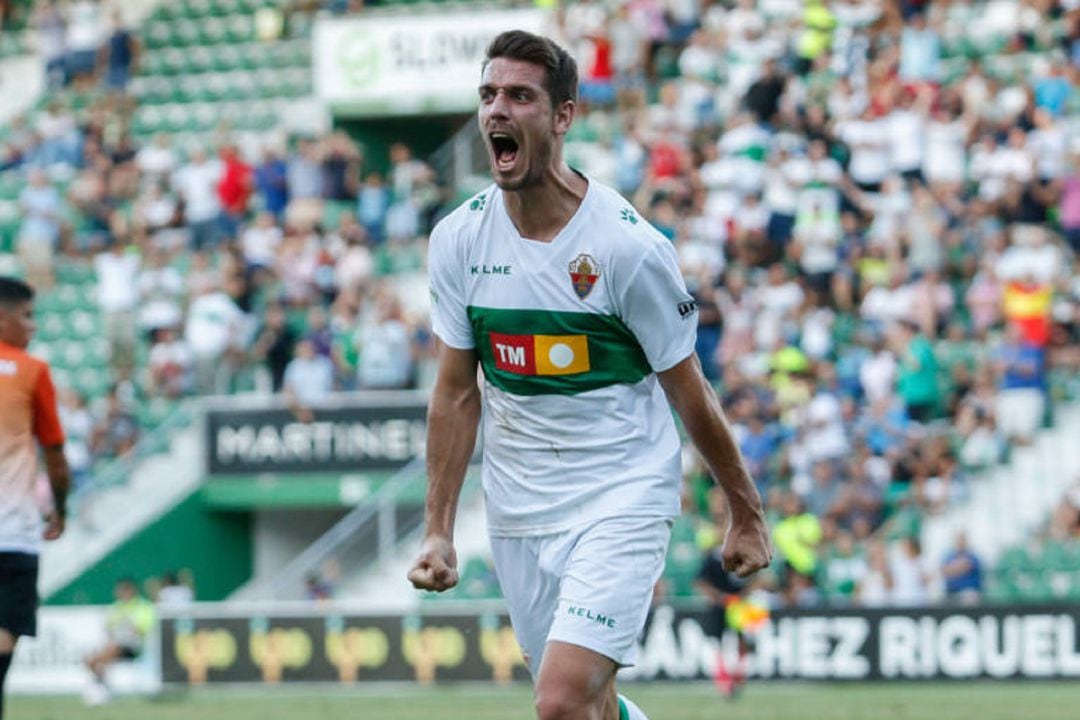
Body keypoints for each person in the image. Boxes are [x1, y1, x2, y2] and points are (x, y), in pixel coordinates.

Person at [407, 31, 770, 720]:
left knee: (560, 703)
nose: (497, 112)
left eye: (520, 96)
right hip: (519, 507)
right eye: (488, 95)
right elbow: (456, 394)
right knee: (589, 705)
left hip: (620, 492)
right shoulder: (458, 239)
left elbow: (688, 388)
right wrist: (438, 529)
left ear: (564, 115)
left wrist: (744, 512)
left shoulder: (626, 250)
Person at [0, 277, 70, 720]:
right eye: (27, 316)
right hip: (14, 531)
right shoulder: (32, 371)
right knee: (5, 633)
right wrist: (61, 507)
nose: (34, 326)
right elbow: (56, 455)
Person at [83, 578, 156, 705]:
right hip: (115, 647)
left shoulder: (143, 607)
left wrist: (128, 627)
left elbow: (143, 630)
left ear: (132, 590)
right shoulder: (116, 608)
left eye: (125, 590)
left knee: (105, 654)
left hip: (134, 648)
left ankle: (100, 689)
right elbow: (108, 629)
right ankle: (101, 687)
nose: (122, 593)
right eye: (120, 590)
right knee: (90, 659)